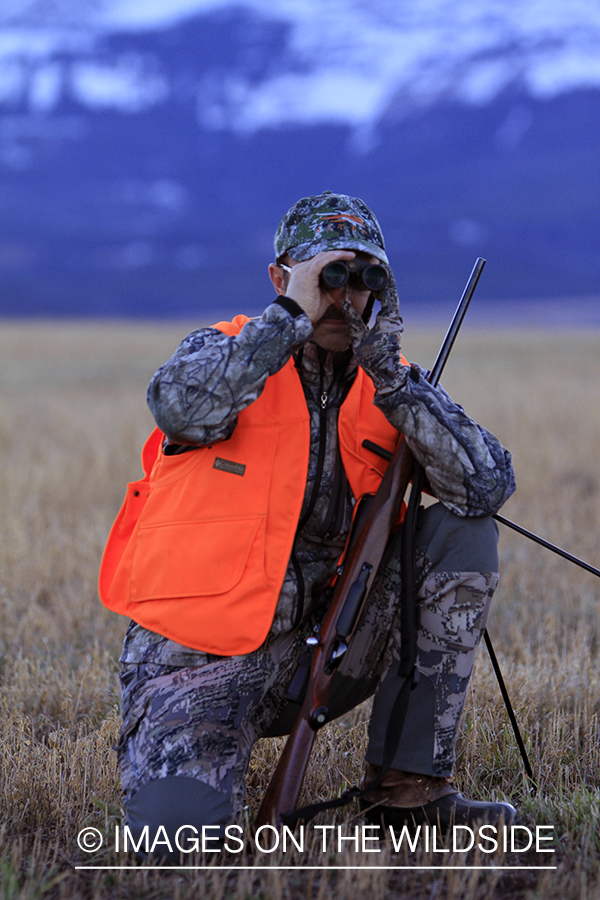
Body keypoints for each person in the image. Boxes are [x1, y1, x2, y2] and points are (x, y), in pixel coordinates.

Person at [99, 191, 517, 851]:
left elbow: (486, 486)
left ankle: (408, 794)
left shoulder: (390, 387)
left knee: (460, 533)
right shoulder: (229, 355)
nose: (344, 297)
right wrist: (289, 315)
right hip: (199, 661)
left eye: (363, 279)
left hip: (326, 644)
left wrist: (395, 378)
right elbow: (179, 407)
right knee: (177, 847)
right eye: (329, 276)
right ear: (280, 277)